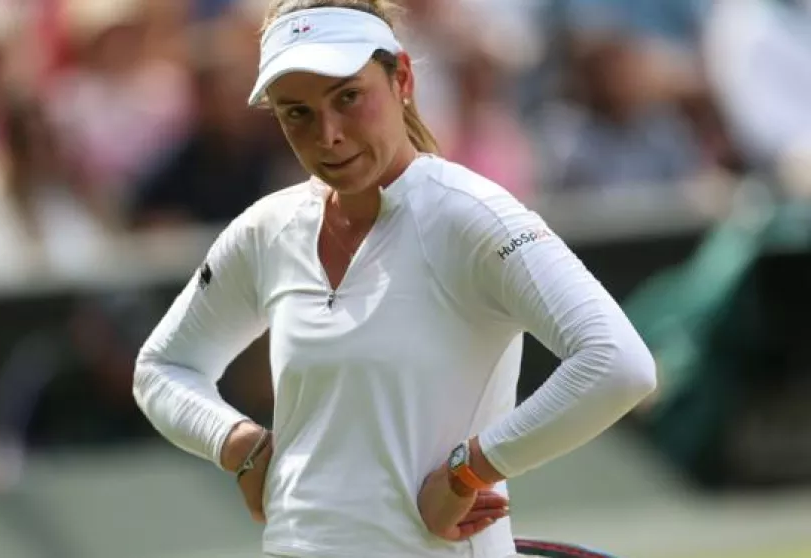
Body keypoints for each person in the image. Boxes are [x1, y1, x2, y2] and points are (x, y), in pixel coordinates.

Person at [133, 1, 658, 557]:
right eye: (297, 114)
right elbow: (162, 369)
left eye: (348, 98)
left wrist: (469, 470)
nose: (328, 135)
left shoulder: (471, 215)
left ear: (401, 77)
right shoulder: (268, 228)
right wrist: (237, 444)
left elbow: (618, 363)